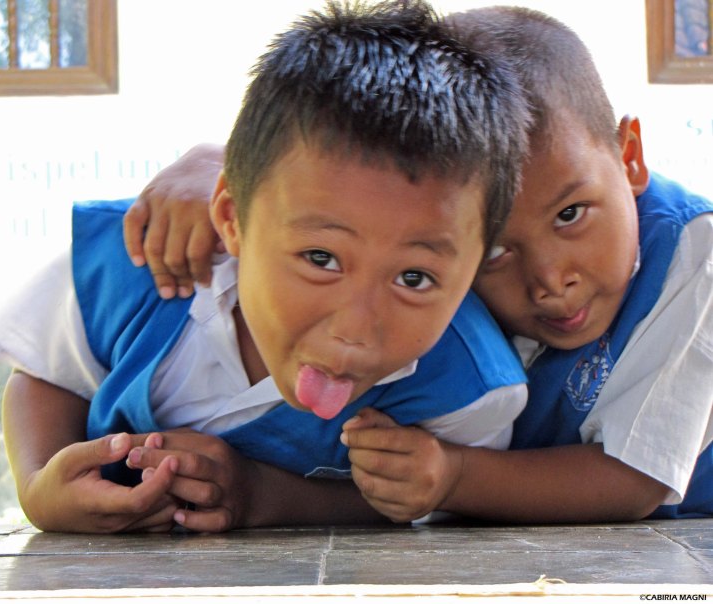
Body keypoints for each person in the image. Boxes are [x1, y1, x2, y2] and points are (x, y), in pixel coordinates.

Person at [127, 6, 713, 522]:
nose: (551, 280)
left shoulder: (694, 253)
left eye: (571, 215)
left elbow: (634, 482)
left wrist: (454, 476)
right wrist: (218, 164)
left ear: (630, 156)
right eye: (495, 253)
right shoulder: (422, 254)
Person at [0, 0, 531, 533]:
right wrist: (40, 487)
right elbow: (47, 374)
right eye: (321, 259)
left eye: (414, 278)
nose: (356, 327)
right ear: (232, 220)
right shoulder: (137, 262)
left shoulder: (467, 392)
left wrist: (262, 495)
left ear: (475, 269)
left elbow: (436, 509)